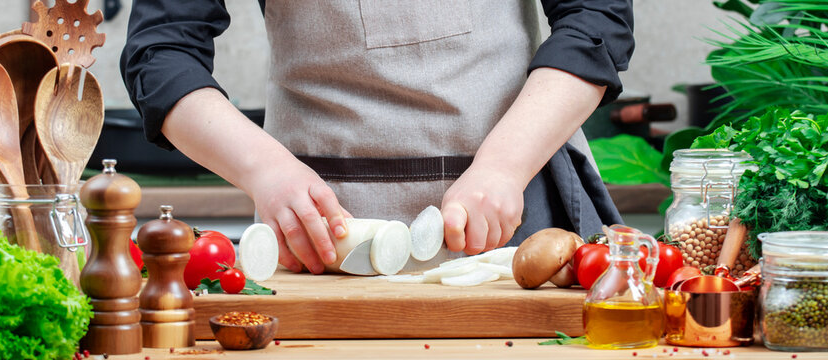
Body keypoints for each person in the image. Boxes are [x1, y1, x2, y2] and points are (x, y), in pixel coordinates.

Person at [120, 0, 633, 275]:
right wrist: (264, 170)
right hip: (318, 238)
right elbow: (161, 53)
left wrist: (503, 166)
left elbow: (597, 21)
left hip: (517, 216)